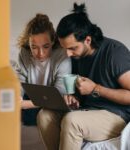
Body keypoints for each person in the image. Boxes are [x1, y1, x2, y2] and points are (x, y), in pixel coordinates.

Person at [37, 3, 130, 150]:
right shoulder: (77, 56)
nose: (68, 54)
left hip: (117, 115)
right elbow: (81, 90)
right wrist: (74, 97)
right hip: (88, 109)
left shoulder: (114, 53)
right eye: (65, 48)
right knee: (44, 115)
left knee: (72, 121)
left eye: (72, 48)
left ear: (87, 40)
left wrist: (95, 88)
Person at [15, 13, 71, 125]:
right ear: (28, 44)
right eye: (34, 47)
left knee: (49, 114)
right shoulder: (24, 53)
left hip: (53, 101)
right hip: (30, 97)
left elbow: (60, 95)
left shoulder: (62, 55)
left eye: (46, 46)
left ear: (53, 41)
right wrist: (17, 97)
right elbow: (19, 82)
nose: (41, 54)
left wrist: (26, 104)